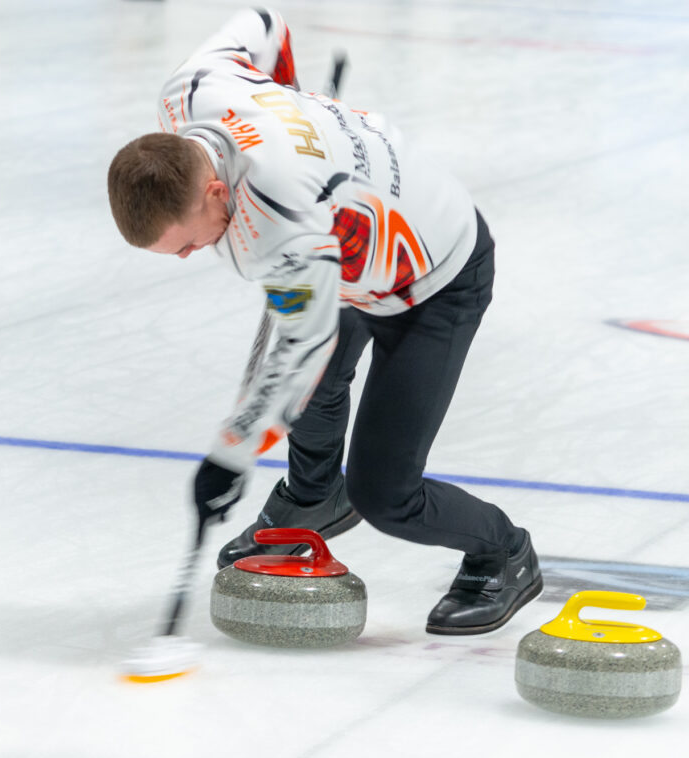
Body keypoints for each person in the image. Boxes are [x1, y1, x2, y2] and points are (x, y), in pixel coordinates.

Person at [107, 8, 541, 639]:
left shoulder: (277, 214)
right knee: (311, 383)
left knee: (385, 494)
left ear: (216, 193)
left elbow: (301, 349)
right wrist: (285, 96)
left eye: (187, 244)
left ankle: (505, 551)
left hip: (437, 277)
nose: (186, 257)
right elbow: (263, 21)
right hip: (346, 242)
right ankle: (314, 496)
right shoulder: (192, 89)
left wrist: (230, 455)